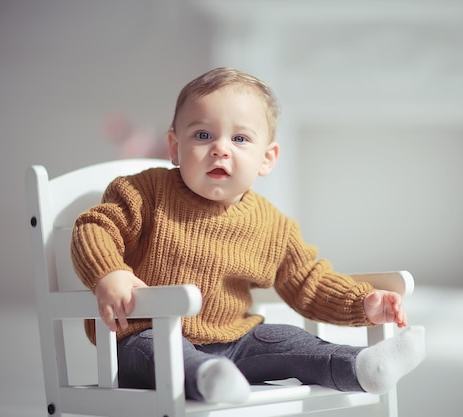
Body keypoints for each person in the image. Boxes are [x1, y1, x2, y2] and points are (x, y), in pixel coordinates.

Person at [71, 67, 426, 404]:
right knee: (163, 351)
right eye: (203, 135)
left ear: (266, 158)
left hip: (236, 340)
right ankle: (209, 377)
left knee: (290, 339)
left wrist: (363, 302)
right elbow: (94, 227)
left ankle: (362, 366)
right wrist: (110, 272)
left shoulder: (273, 226)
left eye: (240, 138)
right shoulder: (143, 192)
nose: (220, 148)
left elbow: (309, 283)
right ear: (175, 147)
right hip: (145, 335)